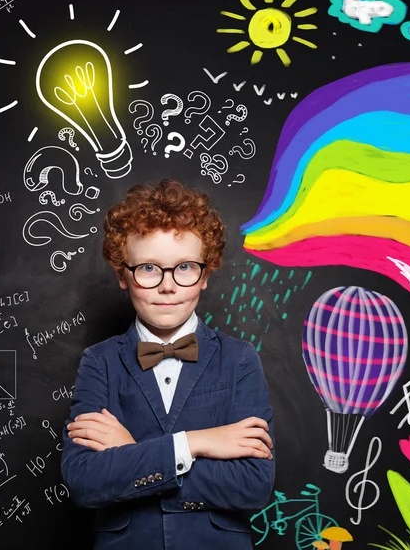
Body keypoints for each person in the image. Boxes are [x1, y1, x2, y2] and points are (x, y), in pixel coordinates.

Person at [61, 178, 275, 550]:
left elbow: (253, 484)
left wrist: (131, 454)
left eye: (185, 267)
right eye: (148, 268)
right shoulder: (99, 362)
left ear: (205, 275)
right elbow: (84, 480)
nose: (167, 286)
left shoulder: (240, 358)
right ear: (122, 275)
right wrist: (194, 443)